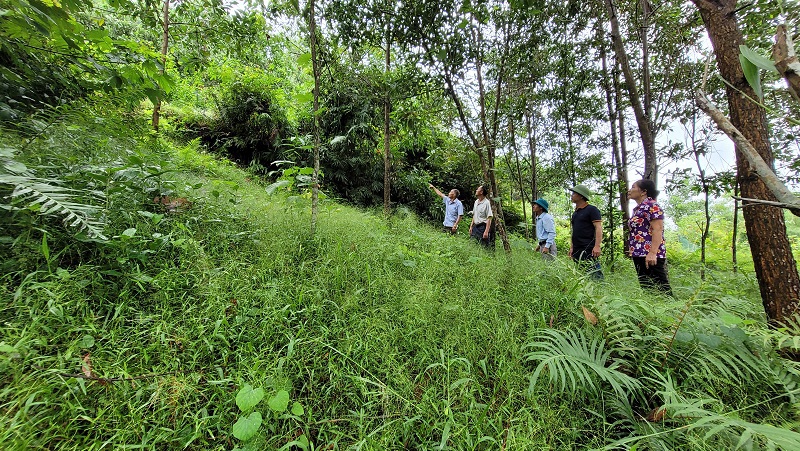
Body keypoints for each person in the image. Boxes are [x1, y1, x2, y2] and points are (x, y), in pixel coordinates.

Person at [627, 179, 673, 295]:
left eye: (633, 187)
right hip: (639, 253)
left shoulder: (652, 206)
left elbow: (658, 230)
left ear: (643, 192)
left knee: (662, 289)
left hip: (650, 254)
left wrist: (652, 253)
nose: (629, 190)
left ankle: (673, 311)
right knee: (647, 288)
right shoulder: (639, 209)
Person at [568, 184, 603, 279]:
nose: (572, 195)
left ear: (581, 196)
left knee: (594, 273)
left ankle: (600, 290)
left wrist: (597, 246)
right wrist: (572, 247)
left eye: (574, 193)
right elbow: (574, 231)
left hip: (588, 248)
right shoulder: (576, 213)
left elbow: (598, 228)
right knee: (581, 275)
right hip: (577, 248)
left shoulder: (592, 210)